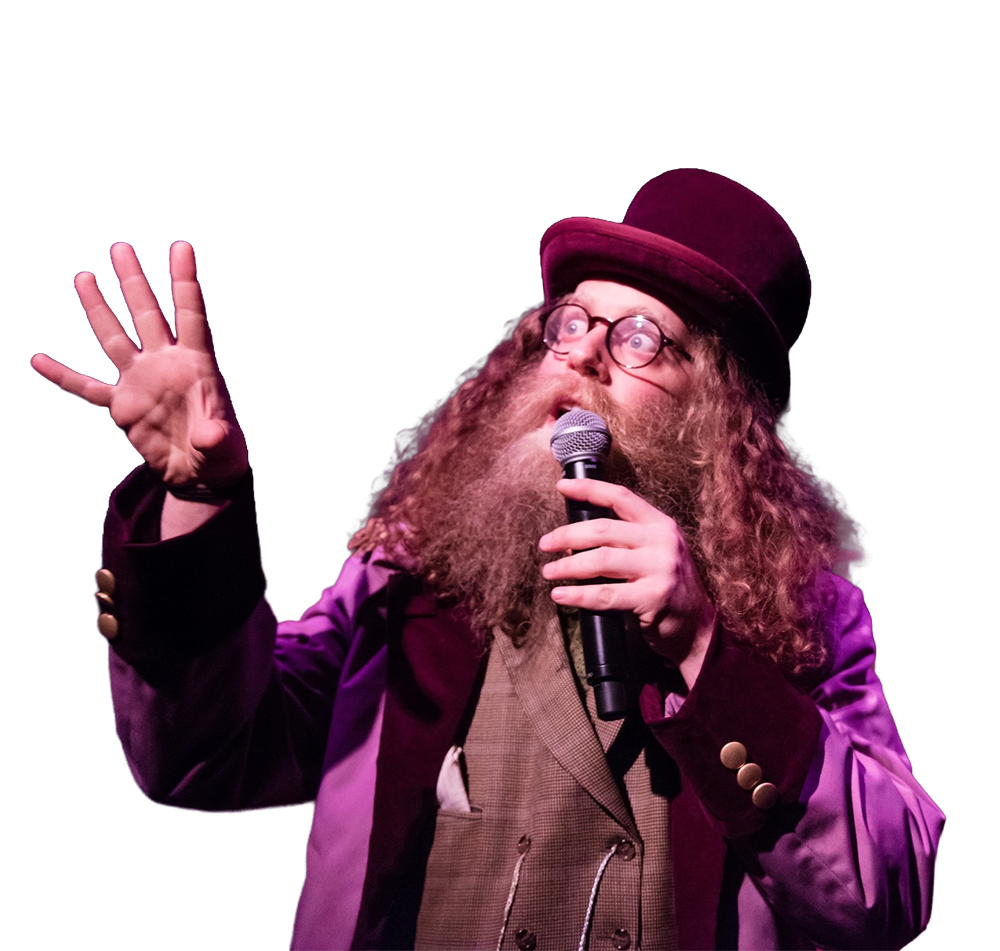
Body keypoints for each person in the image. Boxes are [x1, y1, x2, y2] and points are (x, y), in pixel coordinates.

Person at [30, 169, 943, 951]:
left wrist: (705, 645)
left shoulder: (803, 615)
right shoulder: (409, 579)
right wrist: (201, 500)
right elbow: (202, 752)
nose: (583, 356)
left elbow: (890, 887)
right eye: (572, 322)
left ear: (717, 415)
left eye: (638, 337)